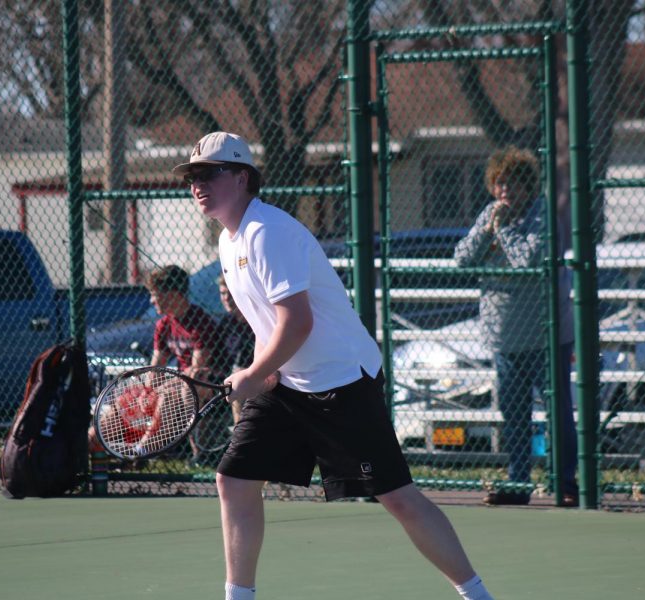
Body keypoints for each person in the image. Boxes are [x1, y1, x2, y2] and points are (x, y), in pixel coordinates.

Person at [173, 131, 496, 600]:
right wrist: (265, 370)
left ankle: (476, 595)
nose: (197, 185)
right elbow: (270, 322)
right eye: (191, 177)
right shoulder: (229, 242)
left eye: (208, 174)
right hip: (288, 383)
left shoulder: (268, 234)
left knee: (398, 497)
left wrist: (250, 374)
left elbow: (298, 321)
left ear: (242, 178)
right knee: (235, 479)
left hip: (342, 381)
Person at [453, 146, 578, 506]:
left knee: (559, 413)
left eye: (512, 183)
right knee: (515, 416)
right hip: (504, 339)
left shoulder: (543, 218)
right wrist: (486, 229)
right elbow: (461, 259)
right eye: (499, 183)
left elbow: (527, 260)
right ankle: (518, 484)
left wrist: (503, 230)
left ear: (528, 186)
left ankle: (567, 483)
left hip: (546, 336)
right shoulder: (490, 214)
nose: (505, 191)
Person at [88, 265, 218, 457]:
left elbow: (197, 370)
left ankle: (145, 450)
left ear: (173, 294)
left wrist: (161, 386)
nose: (151, 300)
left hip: (204, 384)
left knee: (172, 391)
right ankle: (93, 442)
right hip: (176, 381)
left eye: (155, 294)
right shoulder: (164, 325)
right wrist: (145, 391)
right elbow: (155, 368)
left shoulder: (200, 321)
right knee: (129, 396)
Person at [212, 274, 256, 425]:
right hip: (228, 377)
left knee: (237, 385)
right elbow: (218, 360)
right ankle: (196, 448)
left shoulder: (256, 320)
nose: (226, 298)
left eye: (230, 293)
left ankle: (238, 435)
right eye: (223, 293)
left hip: (254, 376)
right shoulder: (225, 323)